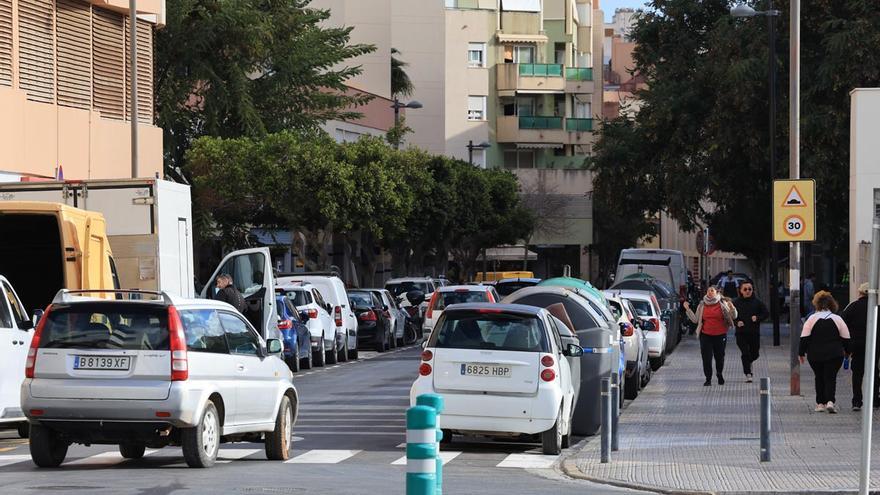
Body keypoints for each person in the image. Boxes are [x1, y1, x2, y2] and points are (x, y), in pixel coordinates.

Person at [799, 291, 851, 414]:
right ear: (832, 304)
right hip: (834, 354)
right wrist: (848, 352)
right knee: (831, 377)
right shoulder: (837, 319)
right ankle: (830, 402)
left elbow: (804, 338)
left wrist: (801, 353)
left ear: (816, 304)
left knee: (819, 377)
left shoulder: (811, 319)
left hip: (815, 354)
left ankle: (820, 403)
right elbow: (846, 338)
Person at [685, 285, 737, 386]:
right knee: (706, 358)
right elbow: (695, 319)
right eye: (708, 291)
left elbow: (734, 316)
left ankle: (719, 374)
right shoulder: (702, 304)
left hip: (720, 335)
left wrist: (732, 308)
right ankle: (708, 378)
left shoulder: (723, 303)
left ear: (717, 292)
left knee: (719, 357)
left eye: (712, 291)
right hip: (706, 335)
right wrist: (688, 309)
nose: (709, 292)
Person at [841, 283, 880, 411]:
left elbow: (842, 323)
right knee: (874, 371)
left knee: (857, 373)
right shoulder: (876, 308)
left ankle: (857, 401)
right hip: (874, 344)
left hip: (856, 344)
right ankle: (875, 400)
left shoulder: (853, 307)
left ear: (860, 293)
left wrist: (846, 345)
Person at [733, 281, 769, 383]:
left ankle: (748, 363)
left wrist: (757, 318)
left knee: (755, 354)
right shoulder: (736, 302)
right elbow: (730, 316)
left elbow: (766, 313)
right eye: (745, 289)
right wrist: (737, 322)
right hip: (741, 333)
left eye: (750, 289)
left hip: (754, 333)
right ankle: (748, 373)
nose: (748, 291)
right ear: (741, 291)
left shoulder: (757, 302)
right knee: (745, 353)